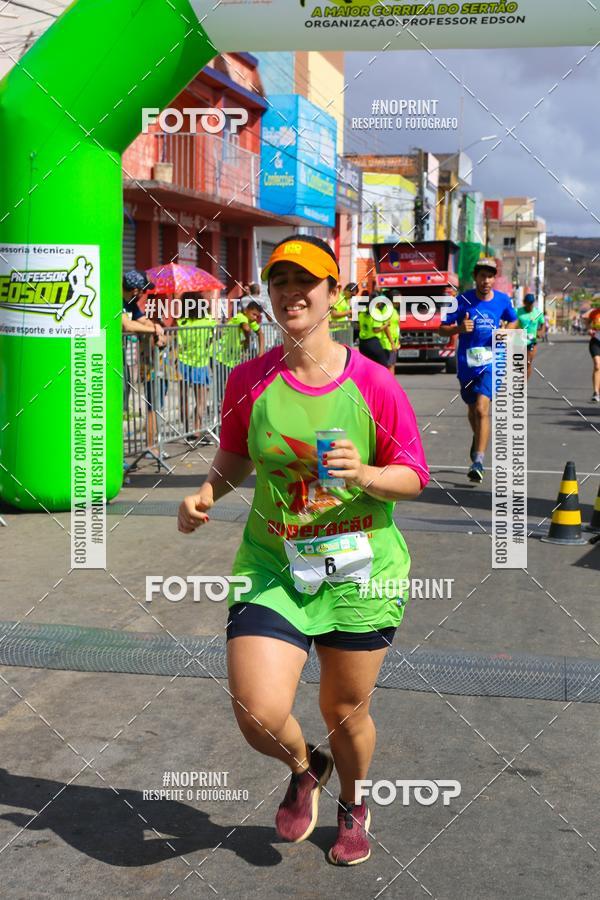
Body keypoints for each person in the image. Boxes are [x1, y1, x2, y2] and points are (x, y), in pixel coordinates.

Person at [178, 234, 429, 866]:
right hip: (274, 564)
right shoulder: (250, 378)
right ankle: (303, 764)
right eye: (280, 281)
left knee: (343, 708)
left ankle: (354, 803)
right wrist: (207, 489)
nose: (291, 292)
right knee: (258, 710)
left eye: (306, 281)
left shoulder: (374, 384)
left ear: (333, 294)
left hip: (359, 570)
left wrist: (364, 473)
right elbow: (235, 452)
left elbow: (414, 476)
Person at [439, 258, 518, 483]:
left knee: (483, 409)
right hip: (467, 363)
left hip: (492, 362)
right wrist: (458, 328)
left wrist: (505, 332)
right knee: (473, 410)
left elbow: (513, 321)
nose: (486, 280)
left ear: (495, 279)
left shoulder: (502, 300)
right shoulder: (462, 300)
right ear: (475, 277)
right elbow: (441, 329)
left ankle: (478, 461)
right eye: (482, 276)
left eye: (490, 276)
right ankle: (478, 438)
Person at [177, 297, 217, 441]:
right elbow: (214, 337)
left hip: (183, 363)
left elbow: (179, 345)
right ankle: (197, 429)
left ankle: (186, 431)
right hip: (200, 363)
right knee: (200, 400)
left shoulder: (181, 322)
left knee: (183, 399)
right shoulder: (208, 321)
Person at [516, 293, 545, 380]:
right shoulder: (517, 311)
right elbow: (512, 322)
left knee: (528, 363)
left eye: (532, 303)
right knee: (517, 364)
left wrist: (541, 332)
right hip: (518, 341)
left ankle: (523, 384)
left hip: (532, 341)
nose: (530, 305)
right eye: (528, 303)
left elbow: (543, 324)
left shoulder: (538, 313)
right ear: (524, 302)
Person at [357, 294, 390, 367]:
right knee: (383, 366)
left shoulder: (362, 312)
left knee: (368, 367)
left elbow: (359, 326)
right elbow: (376, 330)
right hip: (373, 343)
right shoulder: (376, 312)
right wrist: (386, 325)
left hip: (362, 344)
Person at [588, 306, 600, 402]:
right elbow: (589, 325)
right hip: (595, 341)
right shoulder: (594, 313)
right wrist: (590, 330)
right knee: (597, 365)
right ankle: (596, 392)